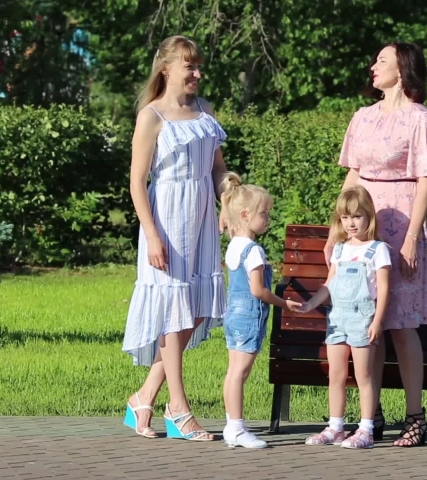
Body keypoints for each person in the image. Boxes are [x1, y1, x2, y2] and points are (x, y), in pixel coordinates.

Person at [324, 42, 427, 447]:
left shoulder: (421, 119)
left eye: (382, 60)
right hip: (362, 224)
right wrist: (335, 232)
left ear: (403, 69)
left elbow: (425, 181)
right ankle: (368, 417)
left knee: (402, 323)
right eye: (375, 59)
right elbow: (353, 177)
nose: (373, 65)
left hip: (401, 225)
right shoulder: (362, 117)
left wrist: (412, 238)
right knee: (365, 321)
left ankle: (415, 417)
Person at [121, 35, 229, 441]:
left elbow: (218, 170)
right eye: (190, 67)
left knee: (197, 307)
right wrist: (151, 236)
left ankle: (144, 396)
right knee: (173, 310)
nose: (197, 74)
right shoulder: (151, 116)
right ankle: (178, 408)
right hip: (166, 216)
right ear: (166, 68)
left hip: (201, 214)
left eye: (199, 67)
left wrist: (229, 199)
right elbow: (136, 182)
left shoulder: (204, 111)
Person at [299, 186, 391, 450]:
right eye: (345, 217)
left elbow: (383, 288)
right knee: (336, 375)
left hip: (362, 319)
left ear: (368, 217)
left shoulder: (377, 249)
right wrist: (311, 304)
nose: (351, 223)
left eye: (357, 216)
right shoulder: (339, 249)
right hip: (337, 318)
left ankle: (366, 429)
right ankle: (335, 426)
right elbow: (330, 283)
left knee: (364, 376)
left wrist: (377, 321)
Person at [218, 173, 302, 449]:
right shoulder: (254, 251)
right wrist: (283, 303)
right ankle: (237, 428)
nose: (267, 219)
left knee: (233, 372)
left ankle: (233, 425)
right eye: (264, 213)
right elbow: (258, 291)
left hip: (233, 315)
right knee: (240, 373)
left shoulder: (234, 245)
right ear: (245, 214)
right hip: (249, 316)